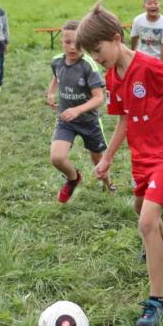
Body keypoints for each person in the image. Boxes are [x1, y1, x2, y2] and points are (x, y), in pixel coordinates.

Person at [76, 1, 163, 326]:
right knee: (139, 208)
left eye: (98, 49)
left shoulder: (150, 68)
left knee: (146, 221)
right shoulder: (111, 77)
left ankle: (157, 301)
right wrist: (106, 158)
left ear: (117, 38)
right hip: (142, 158)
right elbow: (123, 120)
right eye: (90, 52)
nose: (96, 56)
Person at [45, 20, 115, 203]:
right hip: (66, 120)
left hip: (88, 122)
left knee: (98, 160)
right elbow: (56, 76)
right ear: (61, 42)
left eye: (77, 42)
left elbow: (99, 98)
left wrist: (78, 110)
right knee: (56, 158)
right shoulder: (57, 61)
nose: (72, 47)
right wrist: (51, 92)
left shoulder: (88, 65)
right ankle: (73, 178)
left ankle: (108, 184)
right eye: (67, 42)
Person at [130, 0, 163, 65]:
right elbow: (134, 38)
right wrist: (132, 56)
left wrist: (161, 64)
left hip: (158, 59)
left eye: (155, 3)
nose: (153, 6)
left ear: (160, 5)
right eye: (149, 4)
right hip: (142, 58)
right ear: (144, 6)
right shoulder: (138, 20)